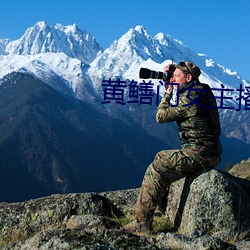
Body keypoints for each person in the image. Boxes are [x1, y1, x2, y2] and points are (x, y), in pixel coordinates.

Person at [124, 61, 222, 233]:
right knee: (161, 156)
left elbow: (161, 117)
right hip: (208, 150)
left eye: (177, 76)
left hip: (200, 153)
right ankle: (161, 209)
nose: (173, 78)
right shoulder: (202, 89)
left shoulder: (190, 98)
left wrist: (168, 93)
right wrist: (174, 76)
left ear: (189, 77)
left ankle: (141, 224)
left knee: (157, 168)